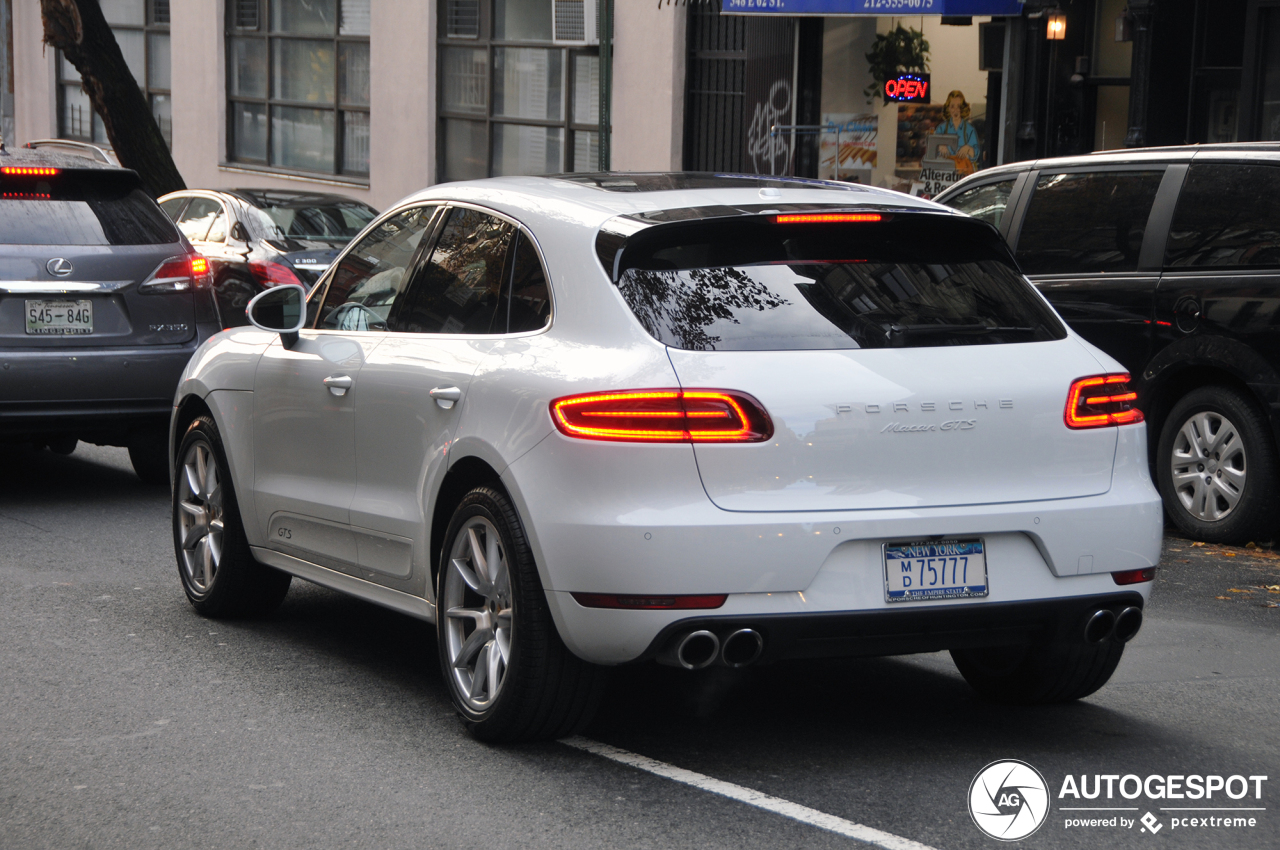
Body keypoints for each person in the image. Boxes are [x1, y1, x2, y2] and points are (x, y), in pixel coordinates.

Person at [935, 90, 981, 175]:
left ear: (963, 108)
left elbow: (976, 153)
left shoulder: (969, 129)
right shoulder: (941, 128)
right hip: (944, 173)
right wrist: (939, 146)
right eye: (952, 106)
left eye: (959, 106)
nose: (955, 110)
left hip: (964, 173)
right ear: (948, 108)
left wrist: (968, 148)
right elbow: (932, 149)